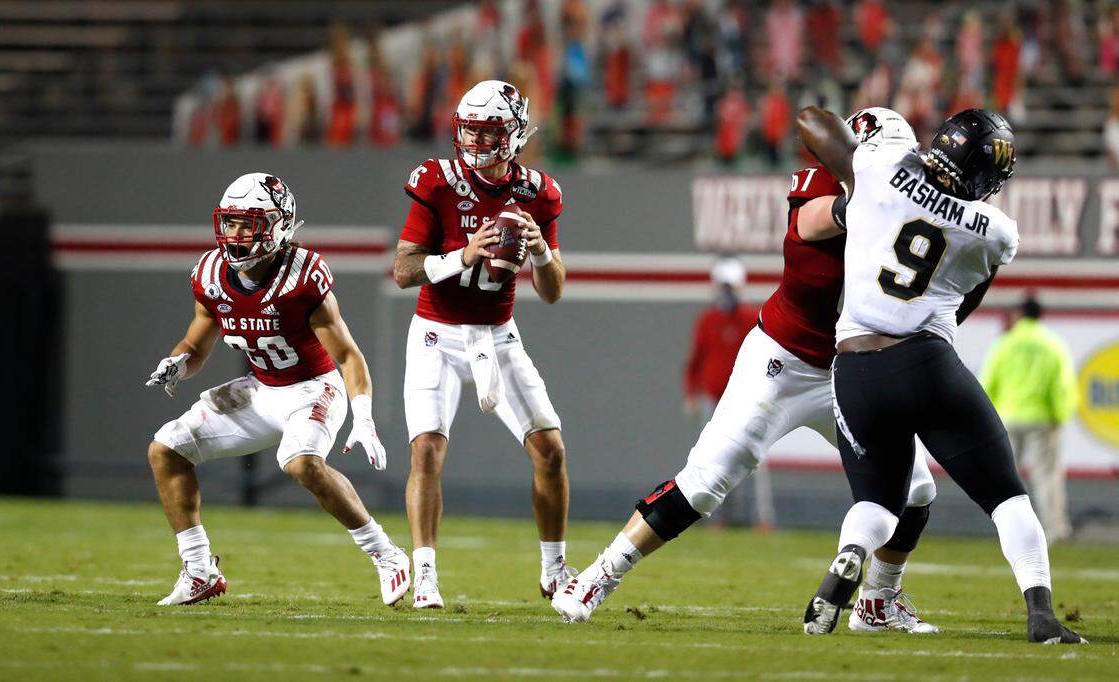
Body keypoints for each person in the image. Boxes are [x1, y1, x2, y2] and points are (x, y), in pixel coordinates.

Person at [553, 109, 940, 635]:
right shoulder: (825, 188)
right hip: (784, 362)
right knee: (707, 482)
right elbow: (812, 222)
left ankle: (879, 601)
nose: (903, 173)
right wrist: (875, 203)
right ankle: (601, 574)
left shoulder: (910, 205)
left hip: (851, 374)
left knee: (917, 487)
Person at [795, 105, 1085, 644]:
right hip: (925, 361)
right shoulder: (995, 232)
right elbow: (964, 304)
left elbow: (812, 121)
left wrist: (850, 185)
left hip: (855, 367)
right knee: (1007, 497)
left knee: (878, 503)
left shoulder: (880, 168)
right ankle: (1041, 614)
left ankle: (852, 553)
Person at [145, 173, 409, 607]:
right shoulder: (210, 274)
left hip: (311, 388)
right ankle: (199, 571)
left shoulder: (302, 276)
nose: (235, 234)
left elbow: (347, 356)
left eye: (248, 223)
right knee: (165, 449)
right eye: (230, 223)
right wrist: (177, 362)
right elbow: (196, 344)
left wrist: (363, 416)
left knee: (301, 463)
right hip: (260, 390)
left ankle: (386, 553)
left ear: (279, 225)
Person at [393, 80, 570, 609]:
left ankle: (555, 570)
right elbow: (403, 270)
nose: (475, 140)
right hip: (435, 333)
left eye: (488, 131)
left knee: (550, 451)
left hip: (498, 334)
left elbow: (553, 292)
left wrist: (540, 252)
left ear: (514, 134)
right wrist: (464, 256)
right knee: (427, 450)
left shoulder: (540, 192)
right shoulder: (436, 181)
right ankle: (425, 573)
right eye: (469, 128)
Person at [981, 296, 1078, 543]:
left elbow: (987, 382)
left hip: (1007, 418)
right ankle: (1055, 530)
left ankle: (1006, 529)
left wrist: (987, 418)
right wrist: (1059, 415)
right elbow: (1062, 384)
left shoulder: (1005, 343)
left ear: (1020, 315)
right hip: (1042, 418)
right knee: (1046, 476)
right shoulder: (1052, 344)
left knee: (1004, 477)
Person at [683, 259, 769, 528]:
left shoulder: (750, 319)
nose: (725, 292)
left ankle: (760, 519)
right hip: (712, 400)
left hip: (744, 401)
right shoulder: (707, 320)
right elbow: (695, 360)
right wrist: (691, 393)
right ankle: (717, 519)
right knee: (711, 461)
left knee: (752, 462)